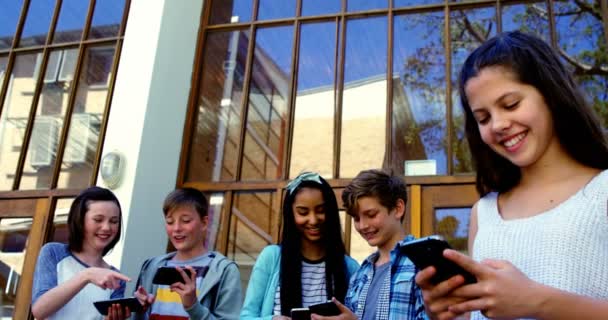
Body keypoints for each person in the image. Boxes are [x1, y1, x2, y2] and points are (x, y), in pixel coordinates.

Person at [416, 30, 608, 320]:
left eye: (510, 104)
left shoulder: (602, 191)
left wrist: (537, 301)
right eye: (483, 118)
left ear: (551, 95)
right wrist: (448, 311)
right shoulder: (485, 211)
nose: (498, 124)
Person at [240, 172, 359, 320]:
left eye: (321, 211)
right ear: (290, 214)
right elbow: (246, 316)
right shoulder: (272, 257)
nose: (313, 220)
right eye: (303, 212)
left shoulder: (350, 267)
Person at [313, 169, 428, 320]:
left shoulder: (424, 263)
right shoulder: (359, 275)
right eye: (356, 218)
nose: (363, 226)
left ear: (398, 208)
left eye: (371, 215)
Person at [131, 187, 242, 320]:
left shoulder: (224, 270)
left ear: (204, 222)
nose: (177, 228)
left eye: (186, 221)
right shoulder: (151, 267)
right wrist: (138, 310)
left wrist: (193, 306)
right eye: (170, 222)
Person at [31, 186, 131, 320]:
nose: (107, 227)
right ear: (80, 220)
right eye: (98, 220)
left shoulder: (114, 277)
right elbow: (39, 310)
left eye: (114, 221)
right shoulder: (53, 253)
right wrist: (86, 275)